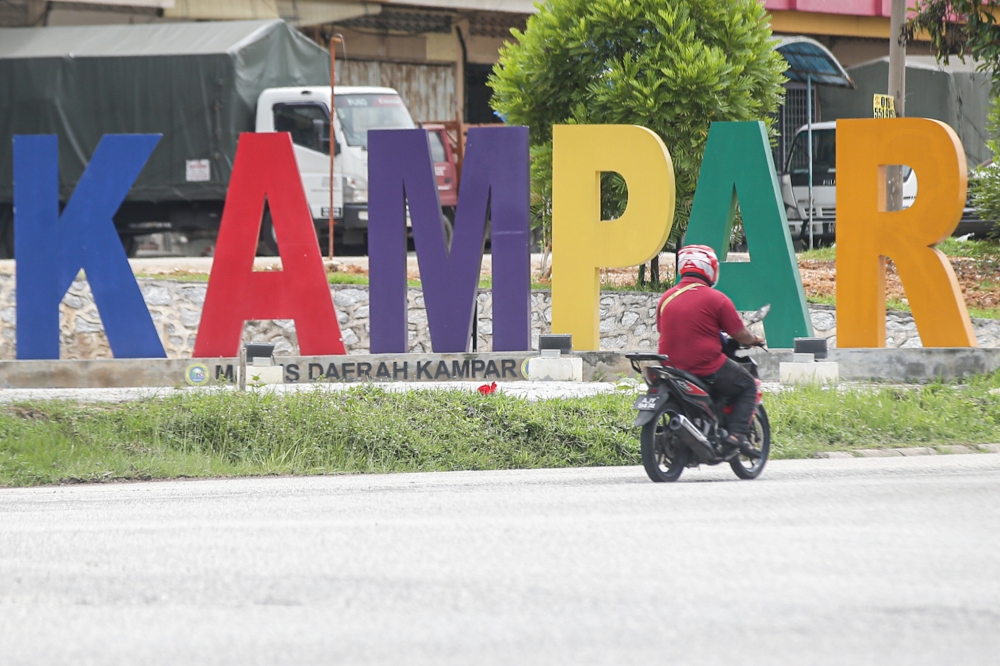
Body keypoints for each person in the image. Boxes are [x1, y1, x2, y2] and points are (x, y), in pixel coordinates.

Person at [656, 244, 764, 457]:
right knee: (748, 385)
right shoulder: (717, 299)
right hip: (706, 366)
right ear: (710, 268)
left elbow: (663, 329)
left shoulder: (666, 298)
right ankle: (737, 436)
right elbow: (739, 334)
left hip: (670, 366)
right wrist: (754, 340)